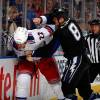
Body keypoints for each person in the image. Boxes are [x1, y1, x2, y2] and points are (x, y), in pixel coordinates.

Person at [33, 8, 97, 100]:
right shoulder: (71, 21)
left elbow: (50, 50)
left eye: (56, 19)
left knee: (66, 86)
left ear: (62, 19)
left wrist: (34, 52)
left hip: (77, 60)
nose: (54, 20)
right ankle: (89, 96)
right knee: (84, 87)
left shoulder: (62, 32)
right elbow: (52, 16)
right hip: (83, 59)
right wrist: (41, 19)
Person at [11, 26, 65, 100]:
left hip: (43, 57)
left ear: (26, 39)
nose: (19, 46)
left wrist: (41, 19)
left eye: (22, 43)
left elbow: (50, 28)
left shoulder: (37, 36)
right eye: (17, 43)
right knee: (23, 79)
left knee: (54, 82)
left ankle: (61, 98)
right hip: (26, 59)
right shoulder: (11, 41)